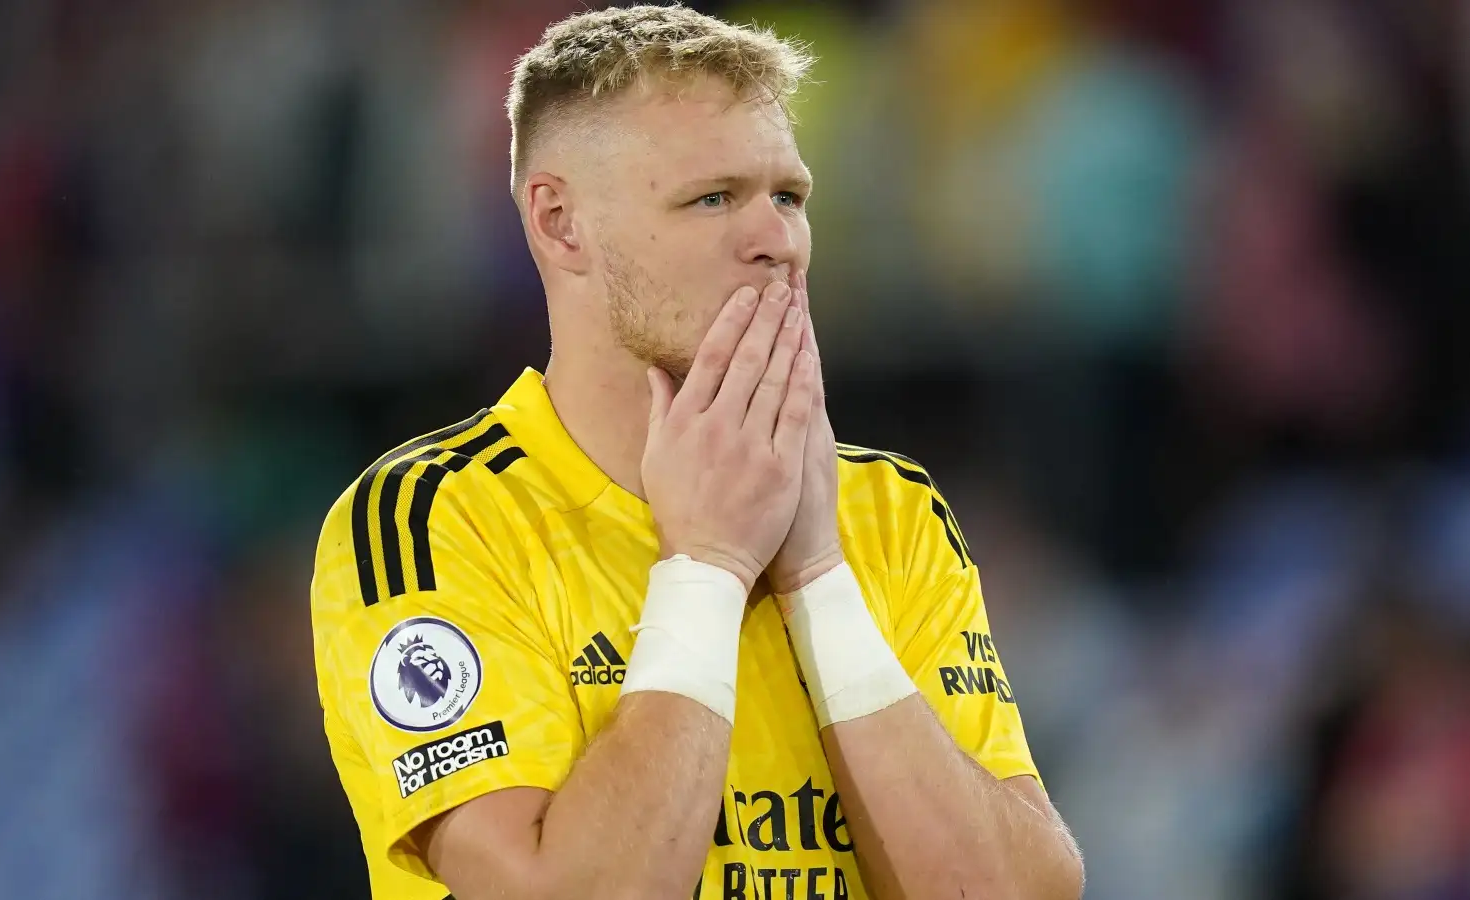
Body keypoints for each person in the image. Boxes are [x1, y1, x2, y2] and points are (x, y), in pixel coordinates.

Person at [310, 6, 1085, 899]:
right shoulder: (439, 518)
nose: (777, 241)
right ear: (560, 223)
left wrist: (818, 574)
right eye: (711, 197)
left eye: (788, 197)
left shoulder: (892, 511)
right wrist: (708, 568)